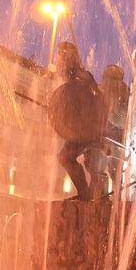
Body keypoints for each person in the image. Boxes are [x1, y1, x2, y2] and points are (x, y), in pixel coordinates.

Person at [47, 41, 105, 201]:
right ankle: (86, 194)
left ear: (67, 59)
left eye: (59, 58)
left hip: (89, 129)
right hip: (82, 129)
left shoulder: (82, 76)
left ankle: (88, 195)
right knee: (65, 157)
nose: (57, 62)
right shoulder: (73, 77)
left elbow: (96, 98)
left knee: (66, 157)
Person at [98, 62, 130, 197]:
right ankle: (103, 195)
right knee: (100, 168)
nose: (104, 81)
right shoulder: (104, 93)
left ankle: (118, 197)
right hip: (107, 136)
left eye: (107, 78)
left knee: (115, 170)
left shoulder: (124, 92)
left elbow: (123, 118)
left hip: (119, 138)